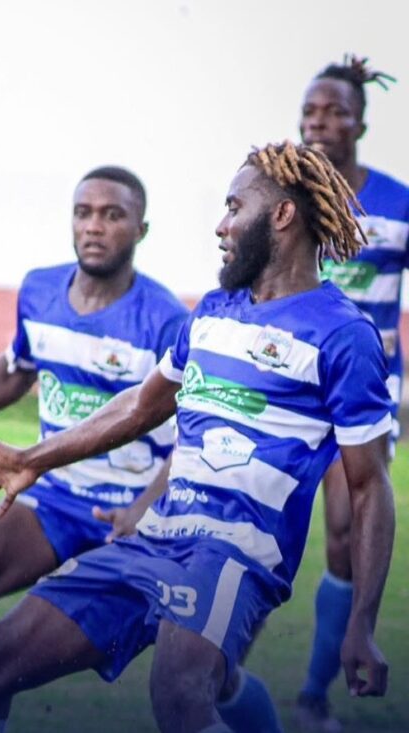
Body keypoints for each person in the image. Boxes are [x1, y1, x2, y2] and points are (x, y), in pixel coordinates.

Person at [0, 141, 394, 733]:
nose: (221, 225)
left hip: (237, 551)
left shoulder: (343, 336)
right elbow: (141, 407)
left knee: (181, 693)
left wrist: (362, 621)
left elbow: (369, 489)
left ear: (282, 215)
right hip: (154, 541)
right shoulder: (215, 311)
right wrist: (34, 457)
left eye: (235, 206)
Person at [0, 167, 283, 733]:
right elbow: (16, 369)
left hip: (135, 517)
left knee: (206, 683)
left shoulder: (166, 319)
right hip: (53, 499)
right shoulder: (39, 290)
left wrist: (145, 504)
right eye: (83, 212)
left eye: (112, 214)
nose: (94, 226)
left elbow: (193, 432)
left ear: (141, 229)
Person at [295, 55, 408, 733]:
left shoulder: (396, 204)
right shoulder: (282, 195)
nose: (321, 121)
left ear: (360, 120)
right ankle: (216, 678)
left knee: (342, 533)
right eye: (310, 110)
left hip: (356, 398)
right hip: (279, 387)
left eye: (335, 110)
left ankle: (312, 695)